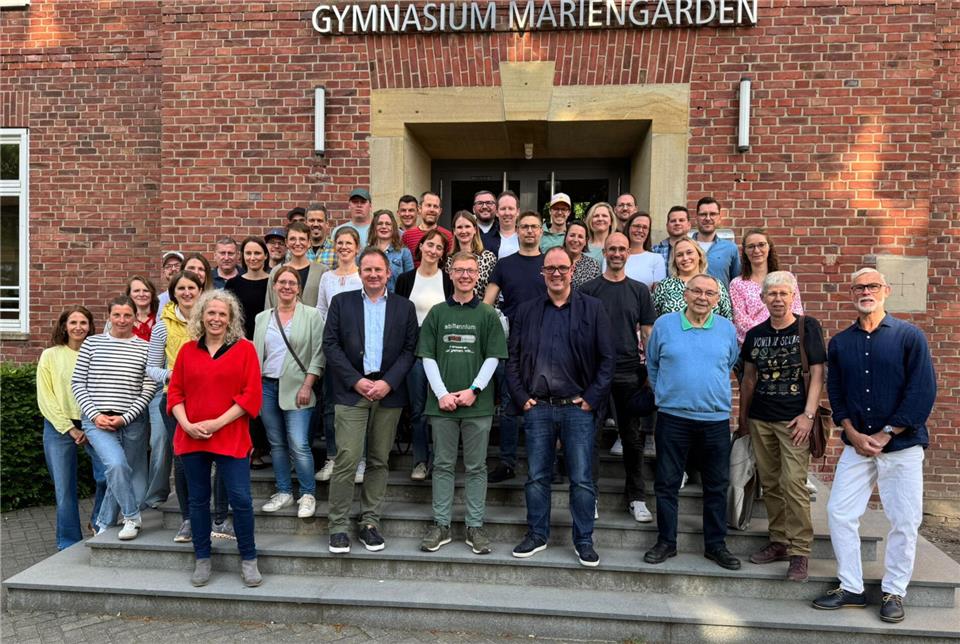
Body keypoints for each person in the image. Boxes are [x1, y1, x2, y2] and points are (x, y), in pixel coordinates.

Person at [812, 268, 936, 623]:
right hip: (856, 444)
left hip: (902, 445)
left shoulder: (910, 337)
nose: (865, 291)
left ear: (886, 290)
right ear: (852, 293)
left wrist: (887, 433)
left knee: (904, 519)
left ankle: (894, 590)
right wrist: (848, 430)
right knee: (839, 512)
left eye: (872, 286)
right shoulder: (840, 343)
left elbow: (922, 391)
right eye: (859, 287)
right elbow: (836, 391)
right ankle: (851, 587)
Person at [506, 246, 614, 567]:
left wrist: (592, 398)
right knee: (537, 476)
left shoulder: (593, 309)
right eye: (550, 268)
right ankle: (537, 534)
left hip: (577, 407)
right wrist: (521, 396)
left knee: (581, 478)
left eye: (562, 268)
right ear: (542, 273)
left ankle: (583, 540)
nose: (556, 273)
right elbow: (511, 359)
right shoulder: (525, 311)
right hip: (537, 406)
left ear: (572, 271)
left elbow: (607, 360)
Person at [323, 248, 418, 554]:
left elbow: (409, 350)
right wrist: (357, 380)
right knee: (347, 459)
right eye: (368, 270)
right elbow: (331, 346)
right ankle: (338, 526)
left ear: (389, 273)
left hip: (387, 393)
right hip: (352, 391)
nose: (374, 275)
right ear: (359, 273)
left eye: (379, 270)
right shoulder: (341, 303)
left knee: (378, 460)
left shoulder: (405, 308)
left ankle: (369, 522)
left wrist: (387, 383)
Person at [644, 274, 740, 570]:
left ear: (717, 299)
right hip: (673, 418)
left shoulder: (726, 329)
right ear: (685, 294)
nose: (702, 297)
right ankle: (666, 542)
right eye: (696, 290)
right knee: (667, 483)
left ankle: (715, 545)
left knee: (716, 485)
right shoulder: (664, 325)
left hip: (714, 420)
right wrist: (666, 396)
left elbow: (731, 363)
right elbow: (653, 365)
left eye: (709, 293)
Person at [168, 290, 263, 588]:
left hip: (231, 436)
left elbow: (251, 395)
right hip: (192, 437)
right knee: (197, 501)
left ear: (231, 319)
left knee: (241, 500)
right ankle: (202, 558)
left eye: (223, 314)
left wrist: (216, 422)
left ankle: (248, 559)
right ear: (201, 316)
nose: (216, 319)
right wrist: (187, 424)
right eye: (211, 313)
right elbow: (176, 393)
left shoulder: (244, 350)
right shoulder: (187, 351)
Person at [417, 252, 508, 554]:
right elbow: (427, 355)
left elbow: (494, 356)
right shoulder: (437, 313)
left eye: (471, 270)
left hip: (477, 405)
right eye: (460, 270)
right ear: (451, 273)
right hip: (440, 405)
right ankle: (441, 524)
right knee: (442, 465)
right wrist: (442, 393)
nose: (465, 275)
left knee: (476, 467)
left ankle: (475, 525)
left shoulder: (486, 314)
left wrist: (474, 390)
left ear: (477, 276)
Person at [738, 271, 825, 582]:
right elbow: (749, 379)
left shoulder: (807, 327)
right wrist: (743, 419)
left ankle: (800, 551)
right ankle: (779, 542)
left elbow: (817, 374)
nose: (777, 299)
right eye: (771, 294)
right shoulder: (754, 335)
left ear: (793, 296)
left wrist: (809, 415)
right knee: (771, 483)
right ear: (762, 299)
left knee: (793, 484)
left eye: (783, 294)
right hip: (761, 418)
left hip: (795, 420)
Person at [581, 233, 656, 524]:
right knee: (591, 438)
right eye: (611, 248)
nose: (616, 253)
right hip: (595, 373)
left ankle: (636, 497)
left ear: (628, 253)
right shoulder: (588, 289)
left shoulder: (639, 291)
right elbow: (581, 332)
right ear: (604, 253)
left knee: (632, 437)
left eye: (621, 249)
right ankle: (591, 497)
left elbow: (647, 333)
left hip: (629, 372)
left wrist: (651, 370)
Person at [149, 271, 230, 542]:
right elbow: (151, 367)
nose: (186, 292)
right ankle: (188, 519)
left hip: (213, 399)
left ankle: (219, 518)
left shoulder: (211, 320)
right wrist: (174, 374)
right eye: (181, 288)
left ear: (200, 289)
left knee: (221, 458)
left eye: (191, 287)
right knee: (183, 461)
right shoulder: (162, 325)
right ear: (173, 293)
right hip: (175, 400)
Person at [72, 295, 158, 540]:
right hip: (97, 422)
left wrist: (126, 418)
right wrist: (95, 414)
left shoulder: (145, 347)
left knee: (121, 473)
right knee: (116, 465)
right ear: (108, 317)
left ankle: (103, 523)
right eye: (117, 315)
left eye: (127, 315)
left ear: (135, 317)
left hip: (131, 422)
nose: (122, 320)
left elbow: (148, 388)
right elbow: (78, 383)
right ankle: (131, 516)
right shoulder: (92, 344)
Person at [254, 267, 325, 519]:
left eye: (291, 282)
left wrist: (308, 384)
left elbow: (318, 353)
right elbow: (256, 356)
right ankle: (284, 491)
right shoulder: (262, 318)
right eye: (281, 282)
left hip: (298, 387)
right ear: (274, 286)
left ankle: (307, 494)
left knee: (299, 443)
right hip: (267, 387)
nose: (286, 286)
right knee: (276, 444)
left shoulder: (311, 315)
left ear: (299, 288)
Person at [483, 211, 547, 482]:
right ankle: (507, 462)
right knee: (510, 404)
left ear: (541, 231)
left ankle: (544, 464)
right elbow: (488, 305)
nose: (530, 231)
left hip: (547, 342)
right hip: (512, 343)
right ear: (517, 231)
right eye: (525, 227)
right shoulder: (504, 264)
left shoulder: (550, 262)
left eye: (534, 227)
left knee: (543, 404)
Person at [38, 306, 107, 550]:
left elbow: (103, 391)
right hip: (59, 427)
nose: (78, 327)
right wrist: (70, 428)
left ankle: (99, 522)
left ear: (90, 327)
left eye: (84, 322)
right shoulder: (50, 355)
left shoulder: (97, 353)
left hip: (93, 423)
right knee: (65, 489)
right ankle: (68, 543)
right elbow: (46, 398)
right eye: (73, 322)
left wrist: (91, 423)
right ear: (64, 326)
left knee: (108, 475)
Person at [395, 229, 454, 480]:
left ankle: (441, 461)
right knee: (418, 409)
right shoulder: (406, 279)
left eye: (439, 248)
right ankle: (420, 460)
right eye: (430, 245)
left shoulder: (448, 280)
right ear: (420, 247)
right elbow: (397, 318)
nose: (433, 250)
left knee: (442, 409)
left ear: (443, 254)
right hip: (414, 351)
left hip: (442, 352)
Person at [314, 227, 365, 484]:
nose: (344, 247)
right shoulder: (327, 278)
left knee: (359, 405)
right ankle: (333, 457)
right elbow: (321, 311)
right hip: (332, 350)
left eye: (349, 243)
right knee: (331, 406)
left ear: (357, 247)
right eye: (340, 243)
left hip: (358, 352)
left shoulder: (363, 276)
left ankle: (359, 460)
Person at [225, 237, 273, 469]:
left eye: (257, 253)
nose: (253, 258)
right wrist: (243, 340)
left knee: (266, 395)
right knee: (245, 395)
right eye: (248, 254)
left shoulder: (273, 281)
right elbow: (229, 316)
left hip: (270, 345)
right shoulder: (233, 284)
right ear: (242, 257)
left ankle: (265, 446)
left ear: (265, 255)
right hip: (241, 345)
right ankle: (250, 448)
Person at [124, 275, 169, 510]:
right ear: (129, 294)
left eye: (145, 291)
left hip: (157, 387)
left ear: (152, 295)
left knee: (159, 439)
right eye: (136, 291)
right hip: (130, 389)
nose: (141, 295)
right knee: (136, 444)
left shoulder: (161, 319)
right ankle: (137, 496)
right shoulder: (122, 319)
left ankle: (157, 493)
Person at [729, 228, 803, 345]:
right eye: (751, 246)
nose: (756, 250)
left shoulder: (787, 278)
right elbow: (741, 323)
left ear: (769, 247)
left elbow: (797, 311)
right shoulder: (737, 284)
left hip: (788, 342)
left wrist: (782, 336)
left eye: (761, 245)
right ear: (745, 251)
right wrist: (769, 338)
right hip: (755, 346)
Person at [653, 238, 732, 319]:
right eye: (679, 255)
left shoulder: (716, 284)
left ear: (699, 255)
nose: (685, 258)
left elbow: (727, 318)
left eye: (689, 252)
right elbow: (653, 320)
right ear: (674, 260)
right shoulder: (664, 286)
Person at [265, 222, 328, 308]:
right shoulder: (276, 271)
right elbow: (269, 305)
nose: (297, 243)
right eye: (292, 239)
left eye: (302, 239)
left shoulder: (322, 271)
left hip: (313, 321)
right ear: (286, 242)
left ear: (309, 243)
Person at [445, 210, 497, 299]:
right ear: (454, 231)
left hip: (482, 310)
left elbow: (493, 291)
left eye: (467, 226)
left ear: (475, 230)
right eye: (459, 227)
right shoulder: (448, 260)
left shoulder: (488, 258)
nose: (463, 231)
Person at [691, 197, 740, 287]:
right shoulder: (686, 247)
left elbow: (736, 283)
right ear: (696, 218)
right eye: (703, 214)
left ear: (719, 218)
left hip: (720, 300)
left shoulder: (730, 248)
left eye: (713, 214)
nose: (708, 218)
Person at [401, 191, 454, 265]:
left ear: (440, 211)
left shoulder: (448, 236)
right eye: (428, 205)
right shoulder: (407, 236)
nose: (432, 210)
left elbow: (450, 265)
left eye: (435, 206)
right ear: (419, 209)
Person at [367, 209, 414, 293]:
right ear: (374, 227)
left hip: (397, 301)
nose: (384, 227)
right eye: (380, 223)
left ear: (393, 228)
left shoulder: (404, 253)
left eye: (388, 224)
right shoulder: (366, 253)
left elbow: (410, 282)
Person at [623, 212, 666, 289]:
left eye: (645, 227)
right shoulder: (614, 255)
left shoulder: (656, 259)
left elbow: (658, 292)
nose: (640, 230)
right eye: (637, 226)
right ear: (628, 227)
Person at [563, 221, 601, 289]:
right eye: (572, 235)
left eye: (580, 237)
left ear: (585, 241)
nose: (575, 240)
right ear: (565, 237)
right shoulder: (555, 260)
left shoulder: (593, 265)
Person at [483, 190, 520, 259]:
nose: (507, 213)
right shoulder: (485, 239)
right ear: (497, 212)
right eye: (503, 209)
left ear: (517, 212)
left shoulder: (526, 237)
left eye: (511, 208)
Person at [305, 203, 337, 268]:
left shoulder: (336, 249)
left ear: (327, 224)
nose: (316, 224)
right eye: (312, 220)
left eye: (319, 220)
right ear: (305, 224)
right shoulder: (297, 249)